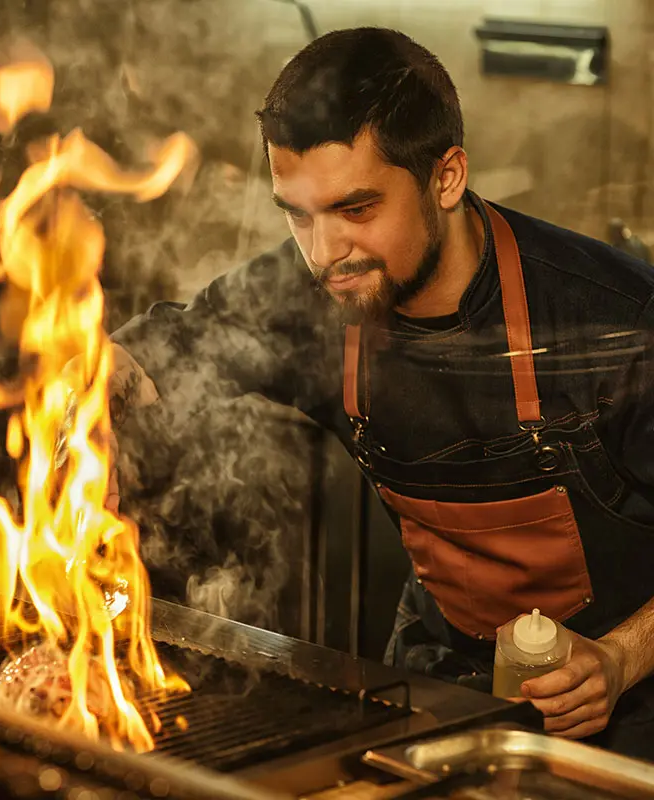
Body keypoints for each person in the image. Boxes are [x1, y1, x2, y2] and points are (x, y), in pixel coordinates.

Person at [108, 27, 654, 759]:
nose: (323, 253)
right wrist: (88, 387)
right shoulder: (306, 296)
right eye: (297, 215)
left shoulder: (614, 321)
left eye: (356, 209)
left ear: (446, 177)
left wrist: (620, 658)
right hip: (439, 669)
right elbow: (167, 354)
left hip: (621, 699)